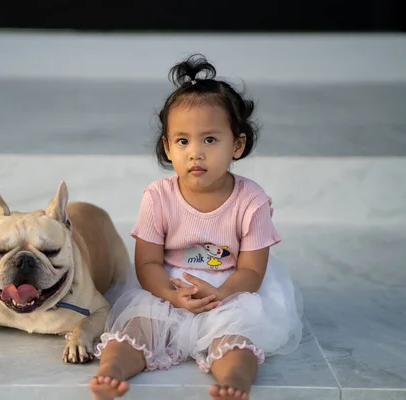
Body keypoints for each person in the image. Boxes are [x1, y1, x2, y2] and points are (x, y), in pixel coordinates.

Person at [90, 54, 303, 400]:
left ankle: (234, 378)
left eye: (210, 140)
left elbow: (251, 269)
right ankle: (111, 369)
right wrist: (171, 295)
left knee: (236, 342)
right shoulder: (158, 197)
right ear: (167, 147)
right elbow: (147, 262)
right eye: (183, 141)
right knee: (135, 331)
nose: (195, 153)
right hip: (167, 285)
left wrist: (221, 294)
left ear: (237, 145)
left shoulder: (252, 201)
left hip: (230, 288)